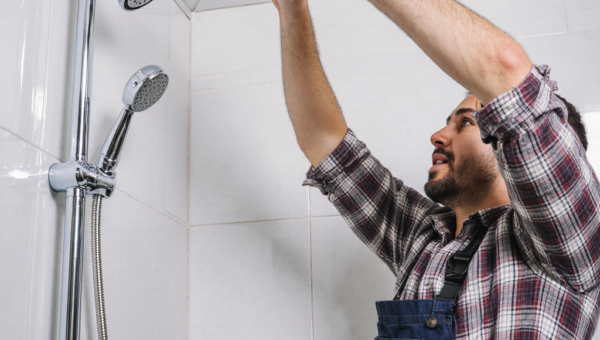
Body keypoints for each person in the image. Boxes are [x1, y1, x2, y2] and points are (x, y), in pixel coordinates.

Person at [272, 0, 600, 339]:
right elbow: (326, 144)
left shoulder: (565, 240)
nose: (438, 136)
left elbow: (506, 70)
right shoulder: (422, 238)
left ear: (518, 149)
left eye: (467, 123)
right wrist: (292, 10)